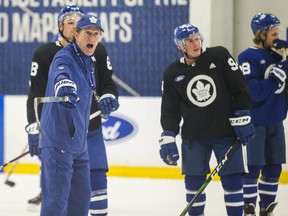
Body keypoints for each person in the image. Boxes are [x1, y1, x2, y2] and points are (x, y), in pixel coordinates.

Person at [25, 6, 119, 216]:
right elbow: (50, 82)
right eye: (72, 23)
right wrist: (34, 125)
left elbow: (107, 85)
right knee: (57, 199)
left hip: (86, 133)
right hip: (60, 136)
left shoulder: (95, 52)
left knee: (84, 196)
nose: (91, 36)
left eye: (96, 33)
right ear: (66, 28)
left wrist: (108, 97)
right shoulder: (53, 55)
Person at [159, 23, 255, 216]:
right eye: (189, 41)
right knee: (194, 183)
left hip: (226, 132)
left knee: (233, 181)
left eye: (197, 38)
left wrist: (243, 113)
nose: (196, 43)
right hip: (194, 136)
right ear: (180, 46)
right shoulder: (172, 73)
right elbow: (170, 110)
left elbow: (239, 86)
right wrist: (168, 134)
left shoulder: (218, 56)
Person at [238, 13, 288, 216]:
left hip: (276, 122)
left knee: (274, 168)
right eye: (273, 33)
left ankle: (266, 209)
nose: (277, 37)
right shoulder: (246, 57)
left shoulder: (278, 57)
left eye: (278, 33)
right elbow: (254, 93)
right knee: (253, 167)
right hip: (256, 123)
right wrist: (279, 74)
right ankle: (249, 207)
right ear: (261, 34)